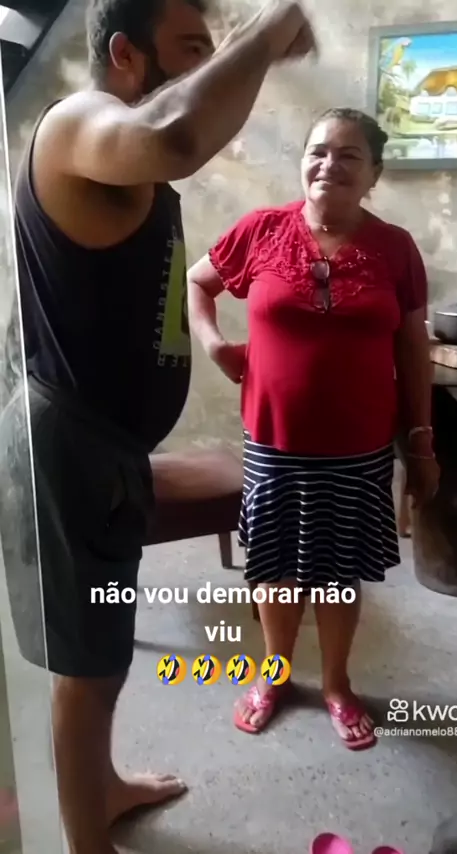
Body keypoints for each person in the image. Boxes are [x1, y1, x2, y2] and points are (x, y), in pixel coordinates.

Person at [0, 1, 317, 852]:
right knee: (85, 666)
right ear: (126, 55)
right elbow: (179, 134)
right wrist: (268, 30)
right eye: (191, 47)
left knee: (102, 654)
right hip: (68, 446)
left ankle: (101, 786)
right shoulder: (77, 122)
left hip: (103, 447)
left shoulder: (115, 151)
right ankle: (85, 840)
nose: (208, 63)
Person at [187, 107, 439, 750]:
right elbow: (197, 283)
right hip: (274, 442)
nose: (330, 165)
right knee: (274, 567)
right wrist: (214, 345)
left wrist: (420, 440)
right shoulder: (262, 230)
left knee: (337, 571)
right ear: (303, 162)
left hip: (359, 446)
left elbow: (413, 348)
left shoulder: (395, 248)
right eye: (318, 151)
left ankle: (335, 684)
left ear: (374, 172)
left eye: (349, 155)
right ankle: (273, 677)